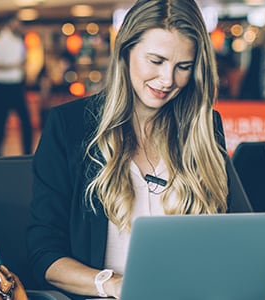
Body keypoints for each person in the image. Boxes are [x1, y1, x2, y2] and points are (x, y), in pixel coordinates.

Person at [27, 0, 233, 299]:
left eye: (183, 67)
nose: (168, 80)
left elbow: (223, 240)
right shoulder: (71, 126)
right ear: (125, 51)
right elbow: (43, 255)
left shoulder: (204, 127)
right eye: (156, 60)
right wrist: (111, 284)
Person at [0, 15, 33, 155]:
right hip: (2, 86)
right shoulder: (0, 41)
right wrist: (14, 66)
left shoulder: (18, 41)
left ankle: (27, 152)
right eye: (17, 23)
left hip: (16, 85)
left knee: (25, 122)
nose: (20, 26)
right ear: (10, 23)